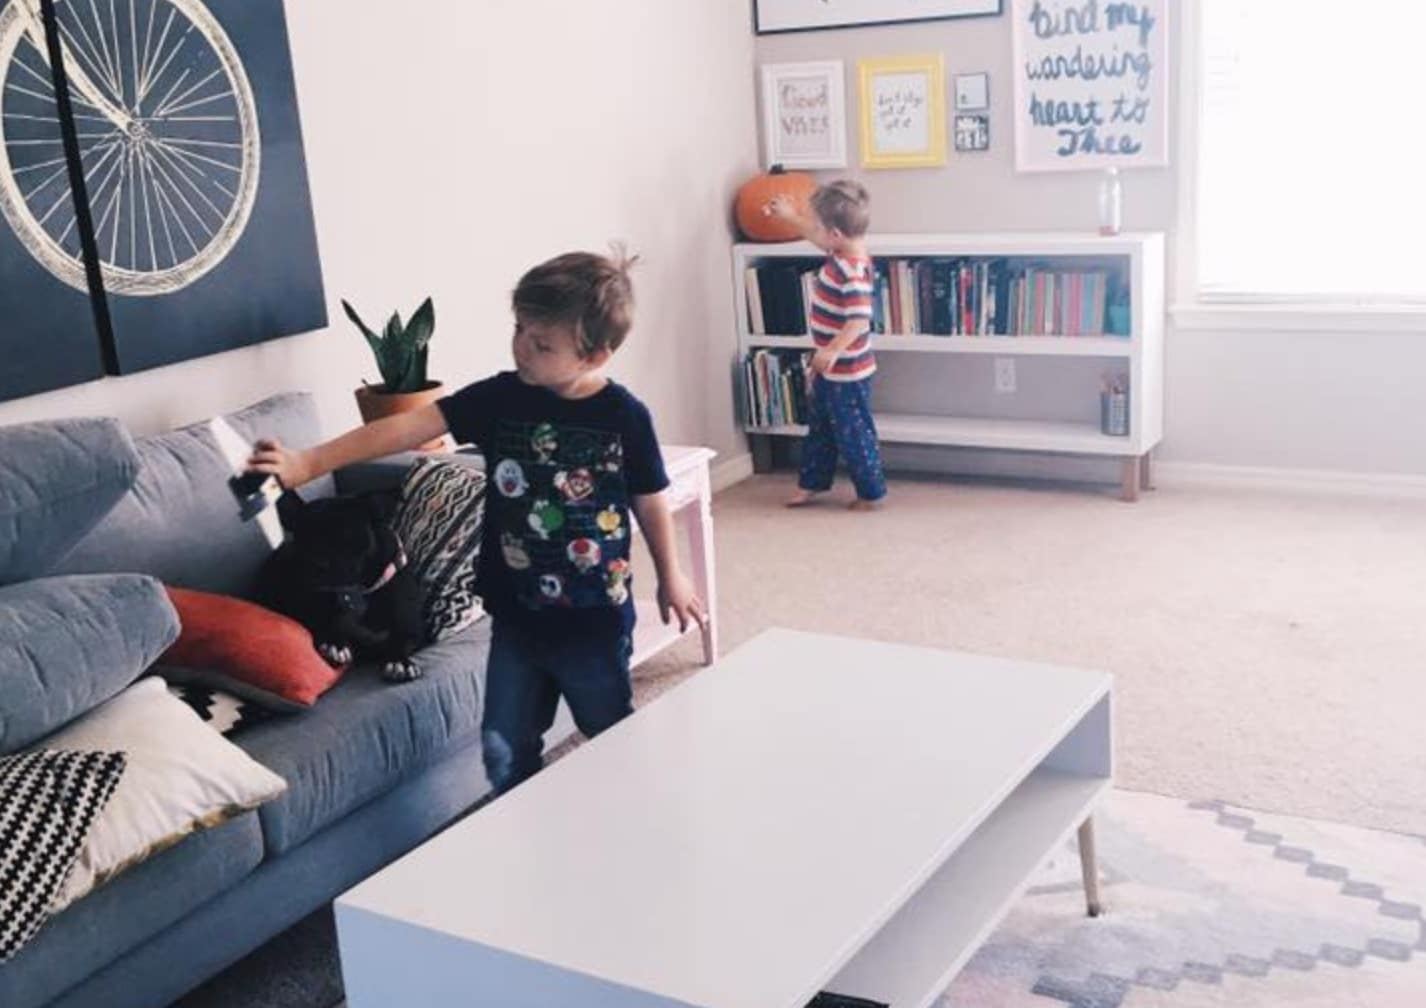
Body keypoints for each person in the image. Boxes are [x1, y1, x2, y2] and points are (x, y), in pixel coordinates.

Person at [247, 248, 705, 793]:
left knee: (608, 736)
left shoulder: (623, 416)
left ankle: (623, 820)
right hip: (514, 615)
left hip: (593, 620)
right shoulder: (499, 398)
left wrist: (671, 574)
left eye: (542, 344)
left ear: (596, 356)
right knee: (507, 748)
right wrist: (308, 463)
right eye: (519, 330)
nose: (522, 350)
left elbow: (649, 497)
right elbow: (404, 429)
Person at [765, 179, 887, 510]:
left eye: (821, 227)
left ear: (836, 234)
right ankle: (811, 483)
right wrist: (790, 217)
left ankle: (870, 492)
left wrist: (831, 350)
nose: (818, 234)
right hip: (829, 368)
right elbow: (818, 236)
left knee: (853, 431)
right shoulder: (842, 248)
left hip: (847, 370)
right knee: (820, 426)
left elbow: (858, 320)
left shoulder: (854, 271)